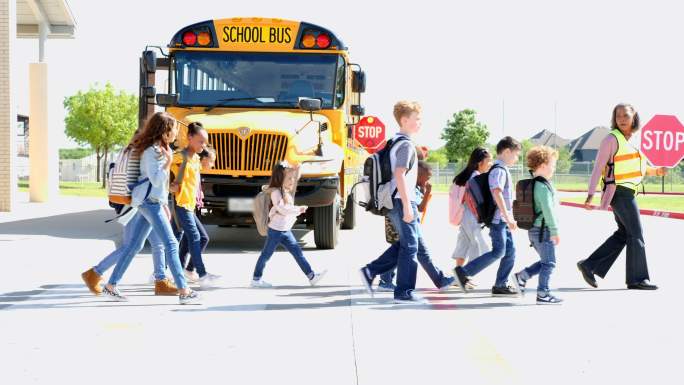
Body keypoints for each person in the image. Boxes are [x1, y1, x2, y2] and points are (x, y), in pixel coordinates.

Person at [359, 101, 454, 304]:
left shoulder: (395, 141)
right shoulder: (406, 145)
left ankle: (371, 271)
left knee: (413, 244)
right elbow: (400, 174)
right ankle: (403, 291)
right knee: (410, 247)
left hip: (397, 200)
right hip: (402, 201)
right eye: (416, 119)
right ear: (404, 120)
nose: (420, 122)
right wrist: (407, 207)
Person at [102, 112, 201, 304]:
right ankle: (184, 290)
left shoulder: (160, 150)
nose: (176, 133)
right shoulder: (152, 151)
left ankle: (110, 286)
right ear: (165, 131)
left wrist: (164, 203)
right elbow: (156, 179)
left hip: (152, 202)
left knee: (133, 246)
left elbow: (159, 186)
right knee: (171, 244)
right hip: (149, 202)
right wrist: (169, 162)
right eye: (174, 130)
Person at [577, 103, 665, 290]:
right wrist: (590, 195)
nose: (622, 119)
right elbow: (598, 167)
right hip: (619, 192)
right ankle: (637, 279)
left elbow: (639, 169)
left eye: (626, 115)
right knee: (636, 234)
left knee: (624, 234)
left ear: (634, 117)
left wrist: (657, 171)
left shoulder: (635, 141)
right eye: (618, 116)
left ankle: (589, 265)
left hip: (629, 191)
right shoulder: (611, 139)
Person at [453, 136, 523, 297]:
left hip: (502, 220)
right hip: (499, 220)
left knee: (510, 252)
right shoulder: (499, 170)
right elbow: (496, 192)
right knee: (499, 251)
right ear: (506, 151)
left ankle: (500, 284)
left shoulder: (500, 169)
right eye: (516, 154)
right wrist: (508, 216)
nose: (516, 158)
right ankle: (463, 273)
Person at [250, 161, 327, 288]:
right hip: (275, 231)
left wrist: (299, 168)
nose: (292, 181)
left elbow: (296, 178)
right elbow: (282, 209)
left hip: (285, 231)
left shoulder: (285, 191)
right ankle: (256, 279)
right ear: (280, 179)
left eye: (292, 178)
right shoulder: (275, 192)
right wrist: (299, 209)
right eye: (289, 178)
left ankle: (312, 276)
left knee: (298, 254)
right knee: (266, 255)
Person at [169, 122, 220, 289]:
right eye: (200, 141)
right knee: (194, 238)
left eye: (205, 142)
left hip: (190, 206)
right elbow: (161, 168)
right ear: (189, 138)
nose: (203, 146)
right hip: (181, 205)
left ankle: (178, 271)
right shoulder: (179, 156)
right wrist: (168, 185)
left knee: (192, 238)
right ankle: (202, 274)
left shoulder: (196, 158)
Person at [513, 146, 563, 304]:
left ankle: (522, 276)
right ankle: (543, 293)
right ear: (542, 165)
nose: (554, 169)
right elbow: (548, 211)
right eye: (552, 165)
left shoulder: (534, 184)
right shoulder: (542, 187)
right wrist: (555, 231)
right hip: (544, 231)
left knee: (545, 261)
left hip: (534, 231)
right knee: (549, 263)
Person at [378, 146, 427, 291]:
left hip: (394, 216)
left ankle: (385, 278)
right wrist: (426, 191)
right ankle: (384, 279)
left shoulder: (408, 177)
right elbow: (420, 206)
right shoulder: (410, 180)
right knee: (403, 250)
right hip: (400, 218)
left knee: (401, 250)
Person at [449, 147, 492, 289]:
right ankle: (464, 277)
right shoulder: (475, 177)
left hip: (463, 214)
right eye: (488, 161)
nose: (490, 164)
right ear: (480, 162)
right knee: (477, 245)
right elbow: (474, 200)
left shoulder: (463, 176)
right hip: (472, 214)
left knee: (464, 243)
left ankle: (458, 277)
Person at [180, 146, 216, 283]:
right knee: (202, 238)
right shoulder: (192, 167)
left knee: (184, 241)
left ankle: (185, 271)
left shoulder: (197, 170)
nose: (212, 165)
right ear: (205, 159)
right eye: (211, 161)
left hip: (188, 207)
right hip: (184, 206)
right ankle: (190, 270)